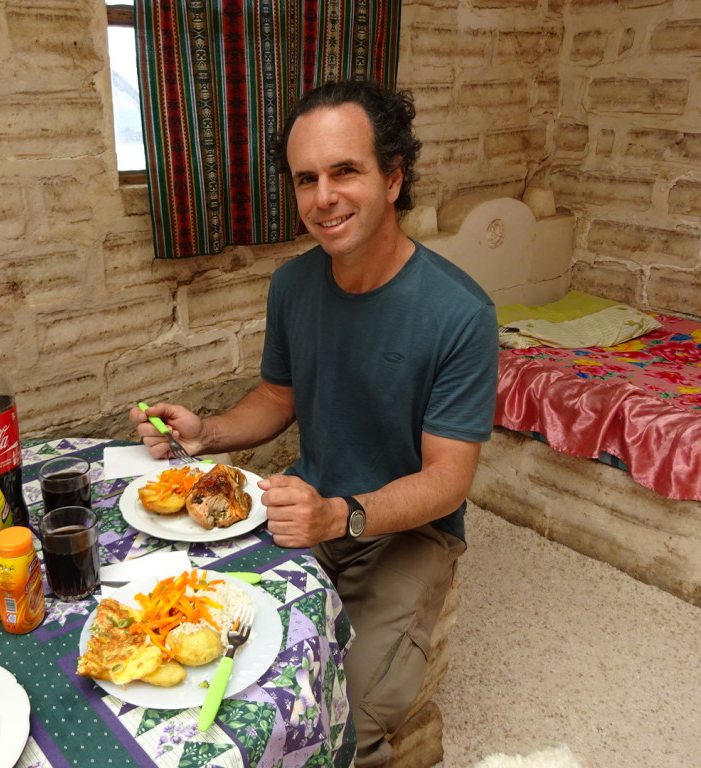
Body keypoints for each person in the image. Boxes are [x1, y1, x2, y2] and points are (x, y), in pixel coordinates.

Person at [130, 79, 498, 767]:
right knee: (209, 652)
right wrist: (204, 430)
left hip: (407, 535)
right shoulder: (294, 284)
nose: (322, 196)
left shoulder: (459, 315)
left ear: (394, 176)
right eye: (306, 179)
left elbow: (448, 480)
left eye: (345, 171)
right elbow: (278, 396)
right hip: (307, 504)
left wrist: (340, 515)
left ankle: (409, 745)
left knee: (338, 717)